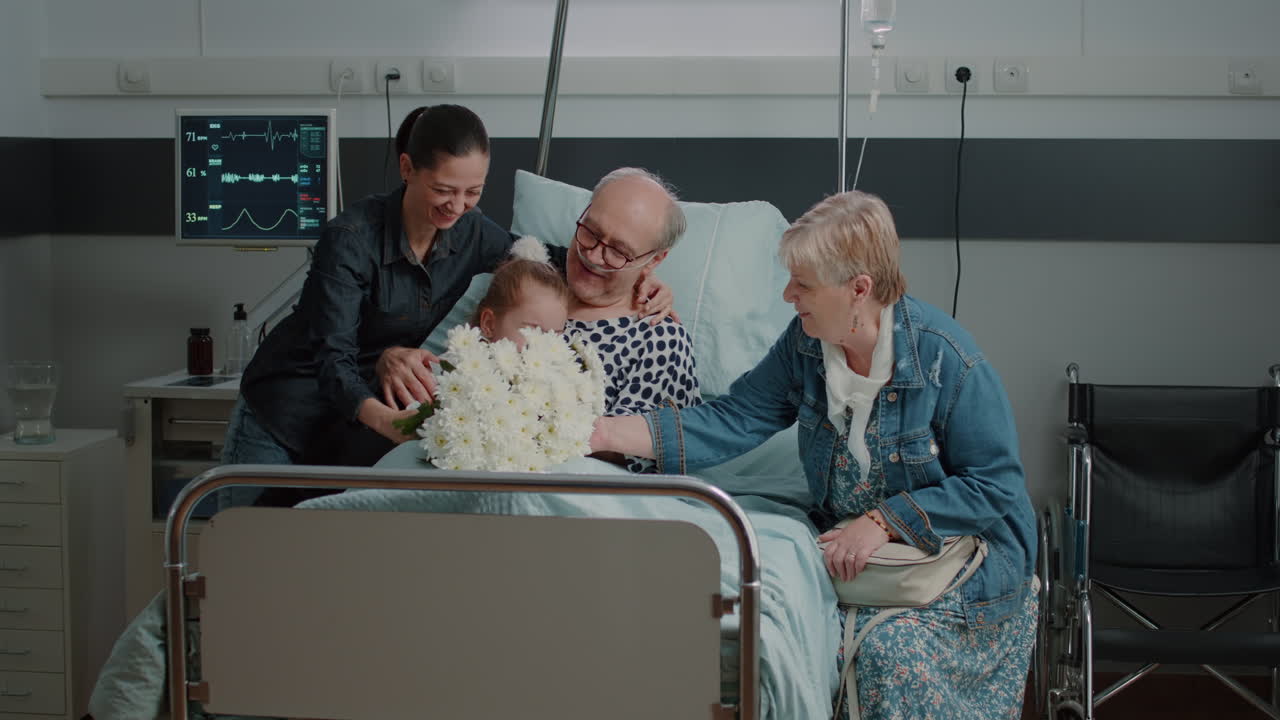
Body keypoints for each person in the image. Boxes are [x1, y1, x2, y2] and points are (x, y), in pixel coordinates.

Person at [590, 191, 1038, 718]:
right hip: (863, 562)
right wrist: (605, 433)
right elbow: (736, 418)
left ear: (858, 290)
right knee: (819, 646)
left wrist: (884, 521)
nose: (787, 295)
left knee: (886, 655)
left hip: (960, 564)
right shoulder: (805, 345)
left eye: (802, 284)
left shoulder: (947, 361)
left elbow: (996, 484)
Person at [220, 105, 671, 481]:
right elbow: (331, 357)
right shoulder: (351, 240)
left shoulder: (470, 233)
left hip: (348, 426)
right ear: (407, 169)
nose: (456, 207)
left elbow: (546, 255)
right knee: (240, 549)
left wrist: (637, 276)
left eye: (473, 192)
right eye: (443, 190)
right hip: (284, 412)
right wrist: (389, 422)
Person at [379, 167, 702, 472]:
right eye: (590, 231)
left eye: (618, 251)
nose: (593, 255)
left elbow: (649, 458)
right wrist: (393, 359)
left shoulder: (658, 338)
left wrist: (521, 421)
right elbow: (448, 371)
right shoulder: (523, 285)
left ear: (655, 259)